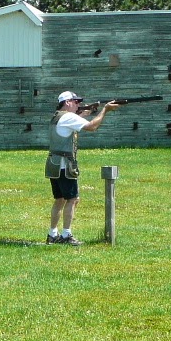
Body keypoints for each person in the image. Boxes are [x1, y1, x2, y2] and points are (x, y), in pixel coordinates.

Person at [45, 90, 121, 246]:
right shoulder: (68, 117)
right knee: (73, 199)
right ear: (67, 102)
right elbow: (92, 127)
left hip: (54, 164)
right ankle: (66, 234)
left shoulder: (57, 116)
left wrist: (85, 114)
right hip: (64, 165)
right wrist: (105, 110)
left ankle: (52, 234)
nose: (78, 104)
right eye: (75, 102)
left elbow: (68, 125)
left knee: (59, 200)